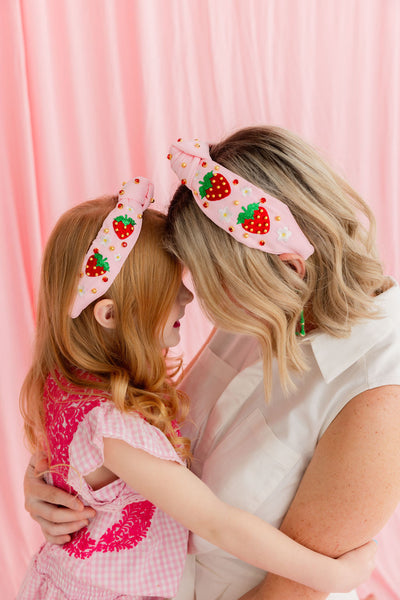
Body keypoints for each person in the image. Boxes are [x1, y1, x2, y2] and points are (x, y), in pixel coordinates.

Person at [23, 126, 400, 600]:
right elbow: (142, 441)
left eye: (209, 282)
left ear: (287, 269)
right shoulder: (277, 306)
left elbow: (291, 589)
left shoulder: (378, 395)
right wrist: (60, 486)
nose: (194, 300)